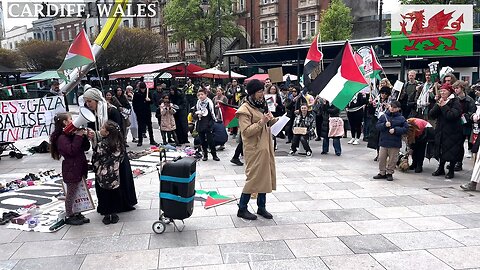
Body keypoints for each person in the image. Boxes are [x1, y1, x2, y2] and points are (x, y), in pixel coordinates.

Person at [83, 88, 138, 216]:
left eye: (90, 101)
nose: (88, 104)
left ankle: (121, 204)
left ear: (96, 100)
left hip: (115, 153)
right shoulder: (92, 113)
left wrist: (97, 135)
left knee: (118, 178)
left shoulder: (111, 110)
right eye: (86, 102)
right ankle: (107, 206)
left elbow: (117, 132)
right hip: (102, 154)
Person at [236, 79, 278, 220]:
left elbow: (267, 123)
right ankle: (242, 208)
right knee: (253, 178)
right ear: (253, 93)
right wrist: (262, 122)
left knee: (264, 177)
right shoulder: (244, 110)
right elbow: (246, 132)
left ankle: (262, 207)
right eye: (260, 91)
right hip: (254, 149)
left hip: (265, 147)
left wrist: (274, 120)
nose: (262, 94)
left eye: (262, 91)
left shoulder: (262, 105)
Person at [50, 113, 90, 225]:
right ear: (64, 122)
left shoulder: (69, 134)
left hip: (78, 167)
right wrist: (78, 136)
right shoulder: (62, 138)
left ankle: (76, 212)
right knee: (71, 193)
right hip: (71, 169)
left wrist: (83, 136)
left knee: (77, 191)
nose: (72, 121)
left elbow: (85, 147)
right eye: (70, 119)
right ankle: (69, 214)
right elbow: (71, 151)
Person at [91, 120, 125, 224]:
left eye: (102, 128)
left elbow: (95, 159)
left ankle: (106, 214)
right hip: (114, 171)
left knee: (104, 193)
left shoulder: (101, 145)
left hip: (103, 172)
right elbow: (121, 157)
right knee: (114, 192)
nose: (100, 129)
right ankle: (114, 214)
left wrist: (96, 168)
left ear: (107, 132)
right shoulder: (119, 143)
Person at [429, 83, 463, 179]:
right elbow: (432, 115)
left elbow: (452, 115)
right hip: (441, 130)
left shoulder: (455, 101)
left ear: (449, 91)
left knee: (452, 151)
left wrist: (444, 106)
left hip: (453, 131)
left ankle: (451, 170)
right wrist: (438, 105)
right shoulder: (441, 100)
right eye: (441, 91)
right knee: (441, 149)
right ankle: (441, 168)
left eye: (444, 91)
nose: (442, 92)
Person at [373, 101, 409, 181]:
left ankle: (390, 173)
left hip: (394, 143)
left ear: (398, 109)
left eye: (395, 107)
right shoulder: (384, 116)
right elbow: (377, 126)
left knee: (393, 159)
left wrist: (395, 130)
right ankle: (382, 172)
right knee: (382, 158)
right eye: (391, 106)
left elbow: (406, 129)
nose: (392, 108)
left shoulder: (401, 118)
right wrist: (384, 125)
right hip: (384, 141)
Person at [452, 80, 476, 169]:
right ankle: (454, 161)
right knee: (454, 144)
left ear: (462, 88)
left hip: (464, 125)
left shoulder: (469, 100)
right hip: (454, 124)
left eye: (457, 88)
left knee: (459, 144)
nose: (455, 90)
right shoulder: (454, 99)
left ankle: (459, 163)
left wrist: (464, 116)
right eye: (454, 88)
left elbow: (472, 113)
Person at [194, 89, 220, 161]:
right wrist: (197, 114)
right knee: (202, 140)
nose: (200, 96)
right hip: (200, 122)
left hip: (208, 123)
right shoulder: (198, 103)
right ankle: (205, 154)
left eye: (202, 94)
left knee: (210, 140)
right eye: (199, 95)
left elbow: (213, 114)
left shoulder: (209, 102)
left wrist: (212, 123)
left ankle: (214, 155)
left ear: (206, 94)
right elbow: (194, 114)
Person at [368, 86, 392, 161]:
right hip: (376, 120)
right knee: (376, 138)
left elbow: (394, 111)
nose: (383, 95)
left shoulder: (390, 101)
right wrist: (370, 104)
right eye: (382, 93)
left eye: (385, 93)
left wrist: (389, 107)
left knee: (383, 139)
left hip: (385, 120)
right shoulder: (376, 99)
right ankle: (378, 153)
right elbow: (370, 112)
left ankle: (384, 154)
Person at [132, 82, 158, 147]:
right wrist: (136, 112)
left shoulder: (148, 93)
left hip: (147, 111)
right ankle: (140, 140)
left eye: (144, 88)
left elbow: (152, 102)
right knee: (140, 126)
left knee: (149, 126)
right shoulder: (137, 93)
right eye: (142, 89)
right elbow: (134, 103)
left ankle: (152, 140)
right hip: (140, 112)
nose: (143, 90)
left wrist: (149, 100)